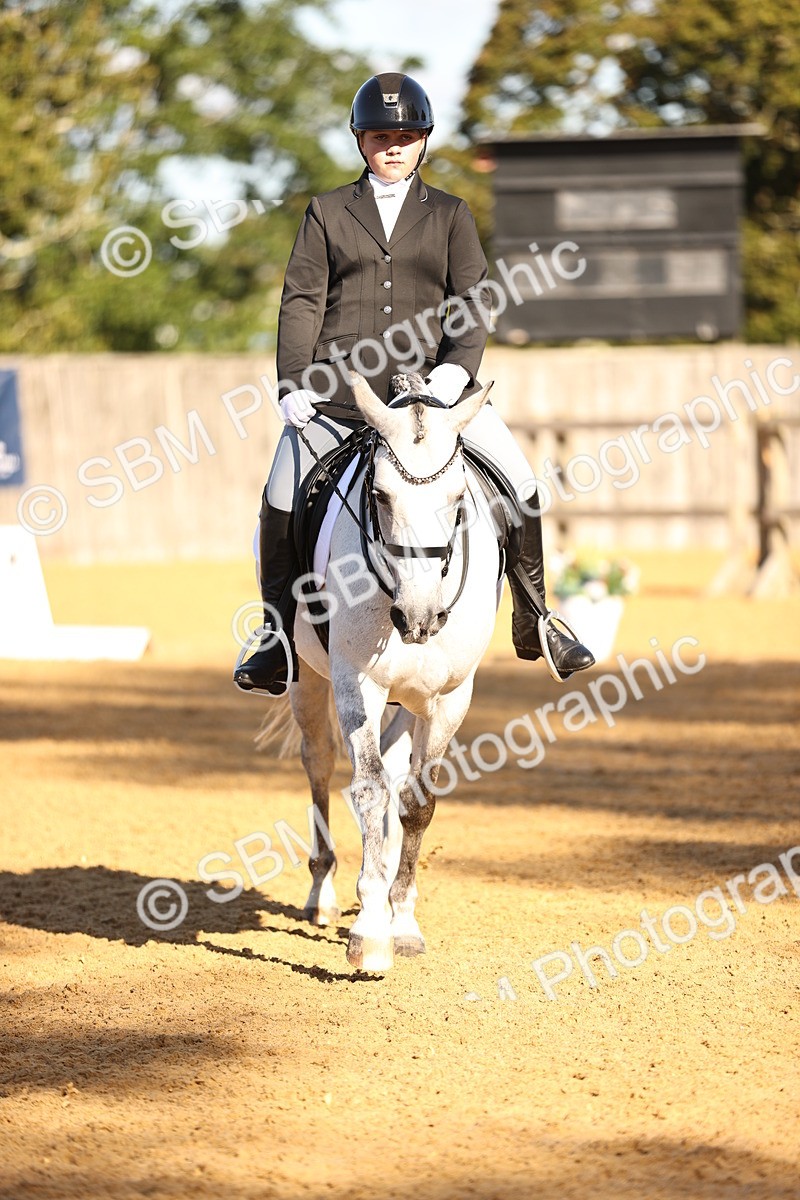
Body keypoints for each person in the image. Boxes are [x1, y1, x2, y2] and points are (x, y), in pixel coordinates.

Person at [234, 72, 594, 696]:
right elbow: (300, 302)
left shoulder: (451, 214)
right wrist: (293, 384)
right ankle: (274, 637)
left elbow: (475, 301)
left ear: (423, 141)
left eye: (405, 136)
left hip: (436, 394)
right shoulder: (326, 212)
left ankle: (537, 616)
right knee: (282, 489)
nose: (393, 146)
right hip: (343, 396)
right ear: (360, 141)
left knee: (520, 477)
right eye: (380, 136)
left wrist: (457, 367)